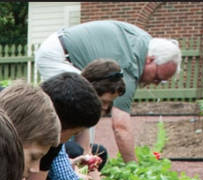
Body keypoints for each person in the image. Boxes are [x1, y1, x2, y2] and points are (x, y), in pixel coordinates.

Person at [35, 20, 181, 163]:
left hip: (61, 45)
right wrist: (134, 169)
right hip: (59, 55)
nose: (155, 84)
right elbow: (120, 127)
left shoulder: (145, 45)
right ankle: (66, 164)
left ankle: (80, 162)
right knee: (82, 109)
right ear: (150, 60)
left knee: (84, 122)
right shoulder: (130, 65)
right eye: (157, 77)